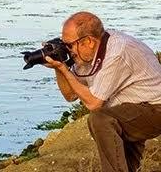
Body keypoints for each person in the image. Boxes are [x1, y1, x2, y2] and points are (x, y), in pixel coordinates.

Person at [44, 11, 161, 172]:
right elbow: (70, 95)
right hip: (132, 108)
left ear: (88, 41)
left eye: (69, 45)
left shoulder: (117, 51)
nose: (68, 50)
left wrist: (65, 70)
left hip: (155, 108)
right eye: (63, 44)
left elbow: (93, 104)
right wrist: (59, 65)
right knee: (127, 159)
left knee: (101, 119)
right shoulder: (91, 52)